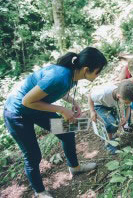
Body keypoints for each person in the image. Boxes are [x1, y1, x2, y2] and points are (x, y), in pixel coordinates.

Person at [3, 47, 108, 197]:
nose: (98, 75)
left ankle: (75, 167)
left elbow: (57, 90)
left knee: (67, 132)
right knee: (33, 155)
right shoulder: (59, 76)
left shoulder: (73, 74)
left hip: (37, 106)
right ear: (86, 69)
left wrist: (73, 102)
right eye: (98, 71)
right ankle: (39, 191)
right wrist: (62, 110)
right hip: (17, 113)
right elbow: (26, 101)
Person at [88, 80, 133, 154]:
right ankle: (109, 144)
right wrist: (92, 111)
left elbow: (128, 107)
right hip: (100, 105)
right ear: (119, 97)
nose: (129, 103)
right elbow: (90, 96)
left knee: (116, 123)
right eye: (127, 102)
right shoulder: (103, 93)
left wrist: (126, 118)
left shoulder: (123, 94)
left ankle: (111, 137)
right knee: (111, 123)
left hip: (111, 105)